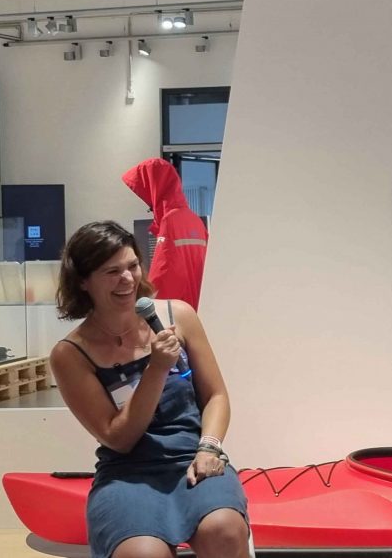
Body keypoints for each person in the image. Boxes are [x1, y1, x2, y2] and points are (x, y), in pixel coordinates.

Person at [51, 221, 250, 558]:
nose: (127, 279)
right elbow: (119, 437)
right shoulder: (70, 354)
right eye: (111, 271)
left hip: (194, 457)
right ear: (83, 282)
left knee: (224, 530)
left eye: (132, 266)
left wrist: (210, 448)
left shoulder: (179, 315)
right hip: (128, 474)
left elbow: (216, 396)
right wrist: (157, 368)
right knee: (143, 554)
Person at [123, 157, 209, 309]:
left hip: (177, 312)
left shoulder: (170, 220)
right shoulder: (195, 220)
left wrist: (146, 306)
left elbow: (163, 274)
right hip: (198, 308)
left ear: (156, 187)